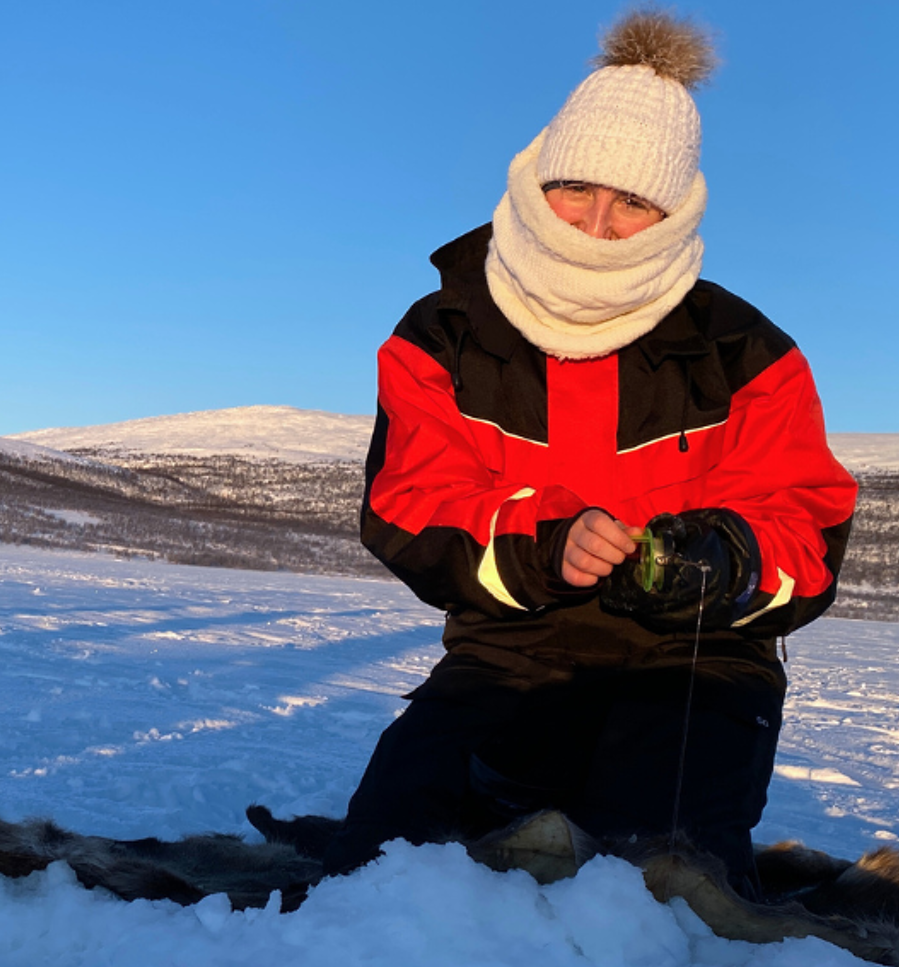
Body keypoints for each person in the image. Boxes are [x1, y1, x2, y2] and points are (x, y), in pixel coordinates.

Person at [329, 9, 858, 899]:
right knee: (385, 868)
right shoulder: (441, 335)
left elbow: (806, 528)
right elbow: (409, 504)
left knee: (660, 888)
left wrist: (725, 558)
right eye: (577, 187)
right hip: (512, 648)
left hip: (696, 660)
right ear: (537, 179)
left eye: (634, 201)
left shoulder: (745, 349)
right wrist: (545, 547)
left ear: (672, 210)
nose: (598, 222)